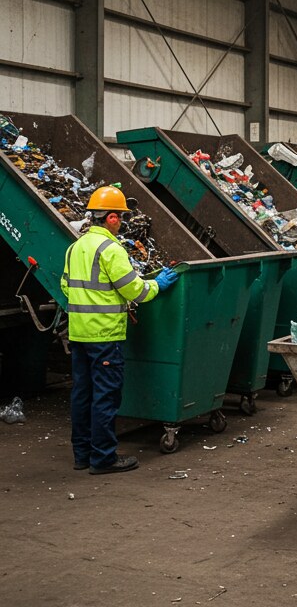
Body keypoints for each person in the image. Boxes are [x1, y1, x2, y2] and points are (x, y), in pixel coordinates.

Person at [62, 186, 180, 474]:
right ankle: (103, 459)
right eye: (122, 217)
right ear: (112, 218)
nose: (124, 223)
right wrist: (158, 284)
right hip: (105, 335)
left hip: (79, 334)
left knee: (82, 394)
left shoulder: (75, 246)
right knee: (105, 396)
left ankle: (82, 455)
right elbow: (135, 290)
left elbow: (66, 286)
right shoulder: (111, 249)